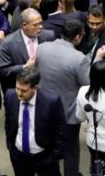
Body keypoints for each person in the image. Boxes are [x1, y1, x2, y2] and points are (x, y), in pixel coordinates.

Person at [36, 19, 90, 176]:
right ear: (78, 36)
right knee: (70, 151)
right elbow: (88, 85)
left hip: (44, 110)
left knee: (48, 147)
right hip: (68, 114)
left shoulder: (41, 48)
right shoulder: (79, 59)